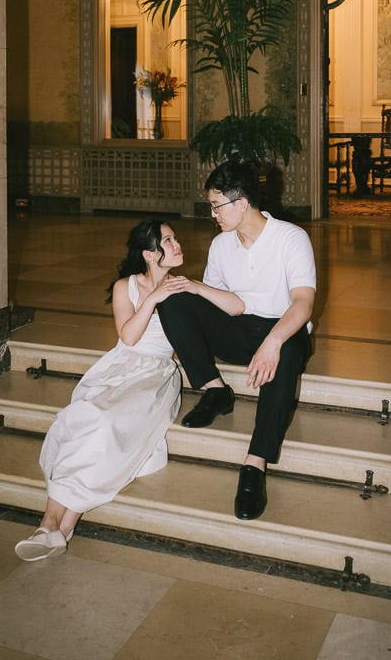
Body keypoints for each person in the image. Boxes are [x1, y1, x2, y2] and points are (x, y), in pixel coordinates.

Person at [14, 218, 185, 561]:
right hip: (122, 365)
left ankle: (62, 524)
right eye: (168, 240)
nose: (178, 244)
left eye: (174, 237)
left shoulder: (184, 287)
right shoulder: (126, 287)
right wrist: (153, 297)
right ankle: (52, 522)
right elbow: (129, 336)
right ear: (150, 254)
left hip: (156, 375)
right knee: (85, 415)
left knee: (107, 424)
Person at [157, 159, 315, 521]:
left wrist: (272, 342)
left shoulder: (291, 238)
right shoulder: (221, 245)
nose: (213, 213)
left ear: (241, 203)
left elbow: (303, 304)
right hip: (241, 327)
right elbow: (227, 304)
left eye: (217, 205)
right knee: (175, 299)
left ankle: (254, 464)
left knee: (288, 350)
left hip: (284, 329)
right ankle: (215, 390)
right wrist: (195, 287)